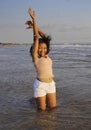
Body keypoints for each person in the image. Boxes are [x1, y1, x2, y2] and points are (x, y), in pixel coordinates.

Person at [26, 8, 56, 111]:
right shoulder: (36, 57)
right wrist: (34, 19)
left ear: (47, 48)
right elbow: (36, 38)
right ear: (36, 49)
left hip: (51, 84)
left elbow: (45, 37)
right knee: (42, 112)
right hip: (40, 85)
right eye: (40, 48)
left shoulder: (47, 56)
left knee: (53, 109)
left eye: (44, 48)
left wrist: (35, 27)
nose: (42, 50)